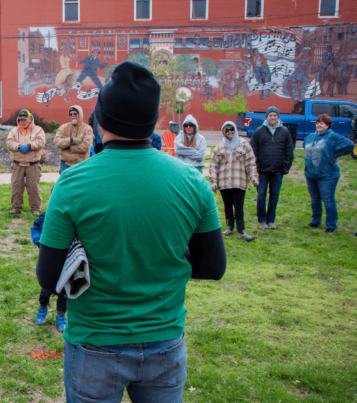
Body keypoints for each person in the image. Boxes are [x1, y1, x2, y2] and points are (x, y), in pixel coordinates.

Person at [36, 62, 226, 403]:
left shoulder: (72, 183)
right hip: (165, 342)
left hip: (94, 344)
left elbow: (48, 277)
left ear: (101, 119)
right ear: (152, 120)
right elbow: (213, 268)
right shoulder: (194, 183)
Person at [303, 114, 355, 234]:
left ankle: (331, 224)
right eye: (317, 122)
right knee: (315, 198)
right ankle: (315, 221)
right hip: (311, 173)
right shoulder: (310, 137)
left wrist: (334, 155)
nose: (319, 125)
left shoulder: (333, 136)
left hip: (328, 175)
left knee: (327, 199)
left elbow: (350, 145)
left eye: (322, 123)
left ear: (328, 125)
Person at [209, 122, 259, 242]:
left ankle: (241, 231)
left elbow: (251, 163)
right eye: (227, 130)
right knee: (227, 205)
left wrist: (254, 177)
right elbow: (213, 165)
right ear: (223, 132)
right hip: (224, 182)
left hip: (239, 181)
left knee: (239, 206)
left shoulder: (244, 145)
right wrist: (213, 181)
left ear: (235, 130)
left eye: (232, 130)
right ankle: (229, 228)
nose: (230, 132)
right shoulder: (219, 147)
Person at [250, 106, 294, 230]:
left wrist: (286, 166)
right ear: (267, 117)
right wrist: (256, 166)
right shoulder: (259, 131)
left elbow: (289, 150)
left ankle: (271, 220)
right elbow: (252, 148)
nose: (272, 117)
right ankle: (262, 220)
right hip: (262, 171)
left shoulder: (284, 131)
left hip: (278, 171)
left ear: (278, 117)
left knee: (274, 195)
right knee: (261, 195)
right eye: (270, 115)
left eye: (275, 115)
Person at [31, 210, 67, 331]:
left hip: (66, 257)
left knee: (65, 288)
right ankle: (42, 309)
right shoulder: (47, 215)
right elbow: (35, 228)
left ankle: (61, 316)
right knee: (46, 286)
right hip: (49, 257)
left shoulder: (71, 214)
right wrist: (38, 240)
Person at [6, 109, 45, 216]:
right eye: (21, 119)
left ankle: (35, 208)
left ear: (30, 119)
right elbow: (9, 143)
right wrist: (18, 146)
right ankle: (15, 207)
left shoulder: (38, 130)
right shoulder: (14, 131)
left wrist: (29, 146)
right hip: (17, 164)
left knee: (34, 188)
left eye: (25, 119)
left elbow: (41, 142)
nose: (23, 121)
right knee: (16, 187)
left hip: (33, 164)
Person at [54, 106, 93, 174]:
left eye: (75, 114)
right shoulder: (63, 128)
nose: (73, 116)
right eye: (71, 114)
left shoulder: (87, 129)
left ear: (80, 114)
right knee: (65, 184)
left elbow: (85, 147)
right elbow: (57, 143)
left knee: (80, 184)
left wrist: (69, 147)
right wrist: (71, 140)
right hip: (65, 164)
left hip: (81, 164)